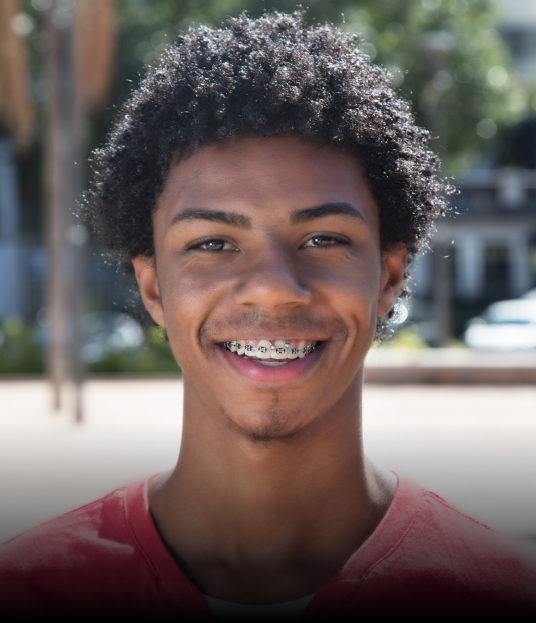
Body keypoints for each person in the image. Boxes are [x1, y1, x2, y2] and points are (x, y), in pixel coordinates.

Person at [1, 11, 535, 618]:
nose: (274, 291)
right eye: (212, 244)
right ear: (152, 288)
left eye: (322, 239)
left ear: (388, 277)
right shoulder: (29, 590)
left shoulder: (497, 595)